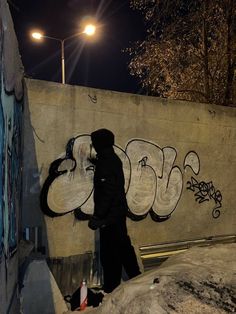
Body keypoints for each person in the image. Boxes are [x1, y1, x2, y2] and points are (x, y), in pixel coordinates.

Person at [88, 128, 141, 293]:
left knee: (110, 253)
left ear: (99, 144)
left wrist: (98, 216)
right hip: (116, 215)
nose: (93, 145)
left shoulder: (106, 162)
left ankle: (112, 286)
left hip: (110, 217)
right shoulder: (111, 159)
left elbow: (107, 192)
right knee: (123, 248)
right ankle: (135, 278)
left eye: (94, 142)